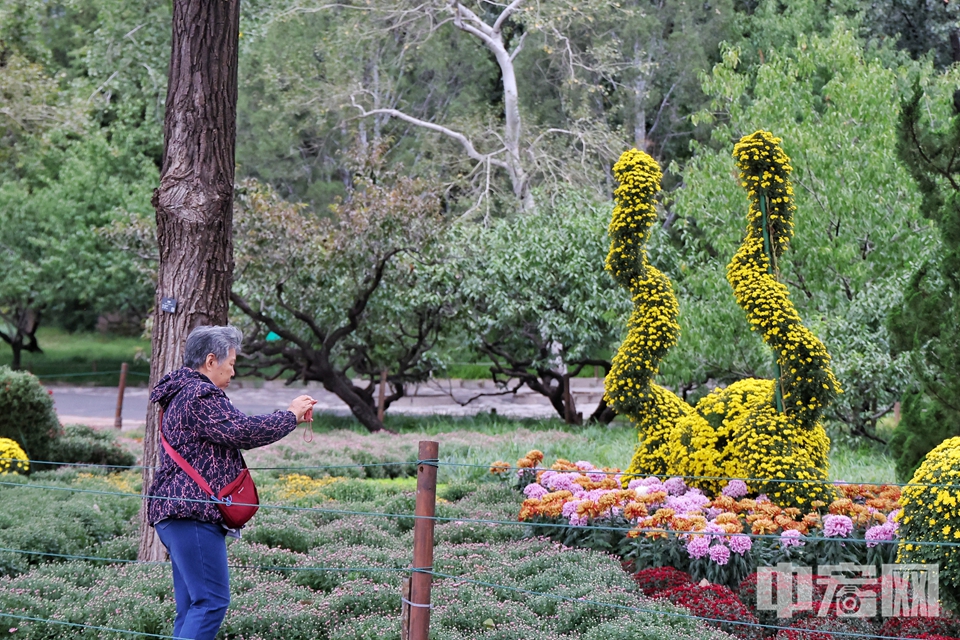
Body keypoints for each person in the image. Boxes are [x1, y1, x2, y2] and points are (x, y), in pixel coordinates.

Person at [147, 325, 316, 640]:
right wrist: (290, 415)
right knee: (211, 603)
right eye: (232, 363)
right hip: (191, 513)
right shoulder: (199, 393)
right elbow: (242, 430)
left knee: (192, 607)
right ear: (211, 361)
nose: (234, 372)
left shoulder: (179, 392)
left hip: (176, 512)